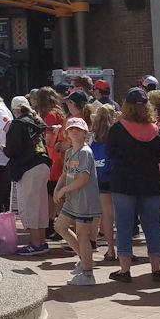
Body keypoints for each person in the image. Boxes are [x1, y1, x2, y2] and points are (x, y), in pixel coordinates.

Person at [106, 86, 160, 284]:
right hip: (149, 183)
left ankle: (125, 270)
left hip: (124, 182)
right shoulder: (154, 130)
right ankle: (156, 270)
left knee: (123, 226)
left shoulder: (118, 128)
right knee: (152, 226)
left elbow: (110, 153)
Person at [53, 117, 101, 285]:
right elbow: (66, 174)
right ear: (66, 133)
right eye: (71, 129)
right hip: (73, 199)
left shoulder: (85, 152)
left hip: (85, 199)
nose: (74, 131)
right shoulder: (69, 152)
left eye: (78, 129)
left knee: (82, 234)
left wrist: (64, 190)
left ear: (84, 133)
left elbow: (83, 178)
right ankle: (84, 259)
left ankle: (88, 274)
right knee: (60, 226)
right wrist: (57, 188)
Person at [7, 95, 52, 254]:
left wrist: (3, 148)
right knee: (40, 205)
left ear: (14, 109)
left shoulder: (17, 124)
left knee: (30, 205)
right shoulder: (37, 121)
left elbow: (12, 149)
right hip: (43, 165)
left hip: (28, 167)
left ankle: (35, 243)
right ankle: (41, 241)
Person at [35, 86, 67, 236]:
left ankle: (53, 225)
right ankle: (56, 224)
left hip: (53, 157)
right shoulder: (60, 112)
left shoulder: (50, 115)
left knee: (53, 193)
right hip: (61, 157)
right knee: (57, 192)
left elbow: (48, 141)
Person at [89, 101, 117, 263]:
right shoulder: (116, 132)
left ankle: (110, 248)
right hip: (115, 176)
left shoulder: (94, 134)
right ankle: (122, 249)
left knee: (104, 214)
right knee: (118, 214)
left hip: (100, 177)